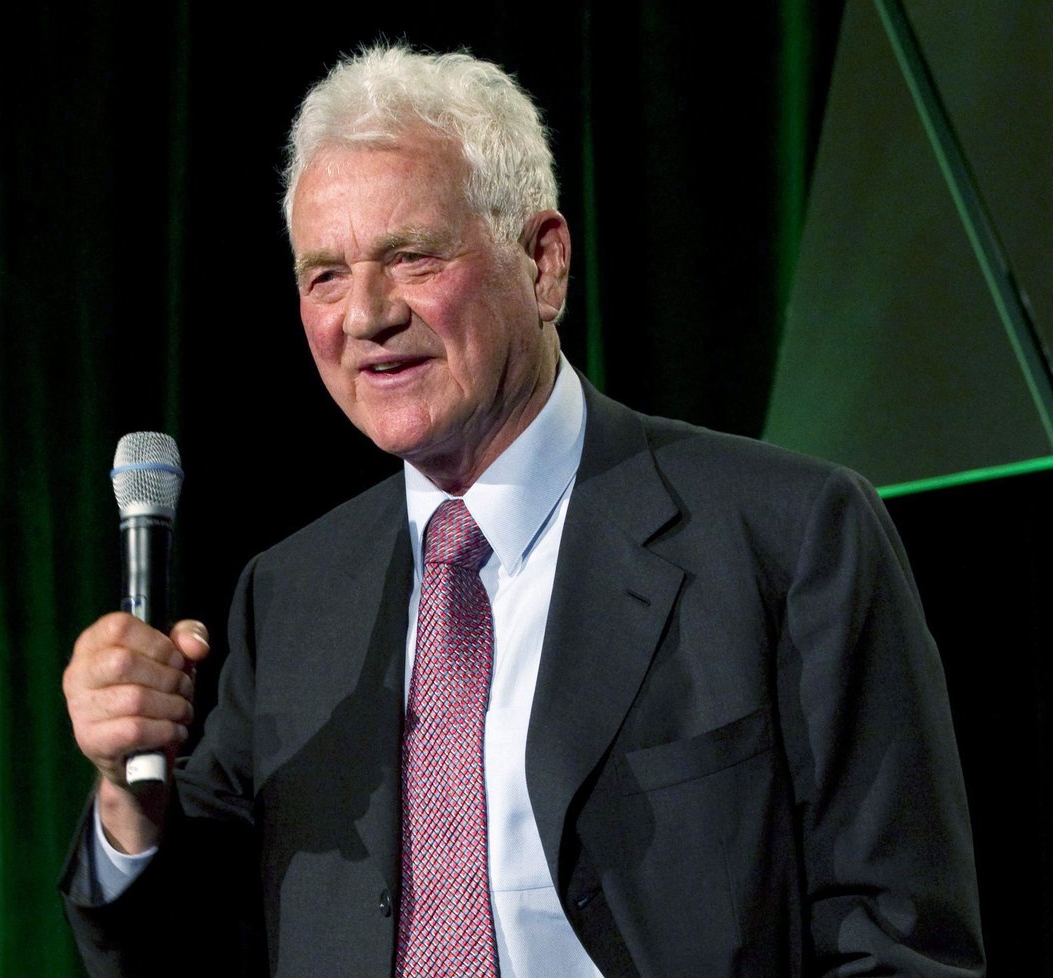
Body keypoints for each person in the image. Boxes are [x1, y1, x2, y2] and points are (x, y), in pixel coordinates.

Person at [60, 45, 984, 977]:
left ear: (544, 264)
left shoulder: (790, 535)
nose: (365, 315)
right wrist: (128, 801)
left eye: (411, 256)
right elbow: (181, 949)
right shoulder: (291, 595)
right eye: (325, 275)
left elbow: (900, 944)